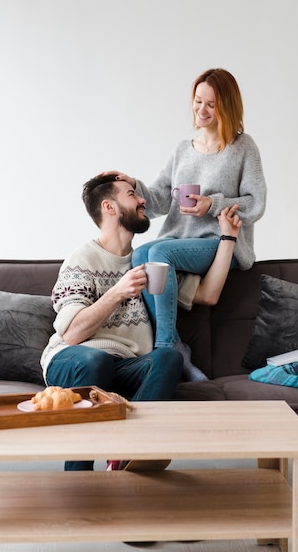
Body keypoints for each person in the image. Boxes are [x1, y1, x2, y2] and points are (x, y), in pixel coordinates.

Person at [41, 173, 241, 470]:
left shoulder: (151, 264)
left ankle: (124, 452)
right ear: (109, 207)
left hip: (125, 366)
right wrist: (117, 292)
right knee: (96, 362)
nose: (143, 199)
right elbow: (71, 334)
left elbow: (208, 295)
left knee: (168, 357)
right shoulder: (81, 260)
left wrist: (228, 238)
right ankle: (78, 475)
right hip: (72, 361)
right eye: (132, 194)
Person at [108, 67, 266, 380]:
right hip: (180, 243)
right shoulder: (182, 150)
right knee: (141, 256)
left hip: (221, 244)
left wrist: (214, 204)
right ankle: (178, 348)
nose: (202, 110)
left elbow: (256, 203)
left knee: (161, 256)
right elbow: (159, 201)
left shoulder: (243, 147)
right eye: (198, 102)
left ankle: (166, 346)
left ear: (227, 106)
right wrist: (132, 184)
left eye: (211, 104)